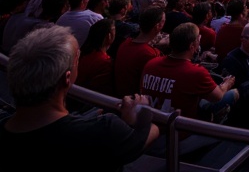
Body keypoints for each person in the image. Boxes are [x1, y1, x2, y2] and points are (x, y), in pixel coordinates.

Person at [0, 23, 158, 169]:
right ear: (66, 78)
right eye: (77, 59)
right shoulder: (103, 131)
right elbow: (149, 133)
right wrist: (140, 114)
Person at [141, 21, 237, 119]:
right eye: (198, 38)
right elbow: (218, 96)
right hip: (180, 130)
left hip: (150, 122)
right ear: (192, 46)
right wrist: (227, 84)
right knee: (235, 93)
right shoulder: (196, 72)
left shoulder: (150, 64)